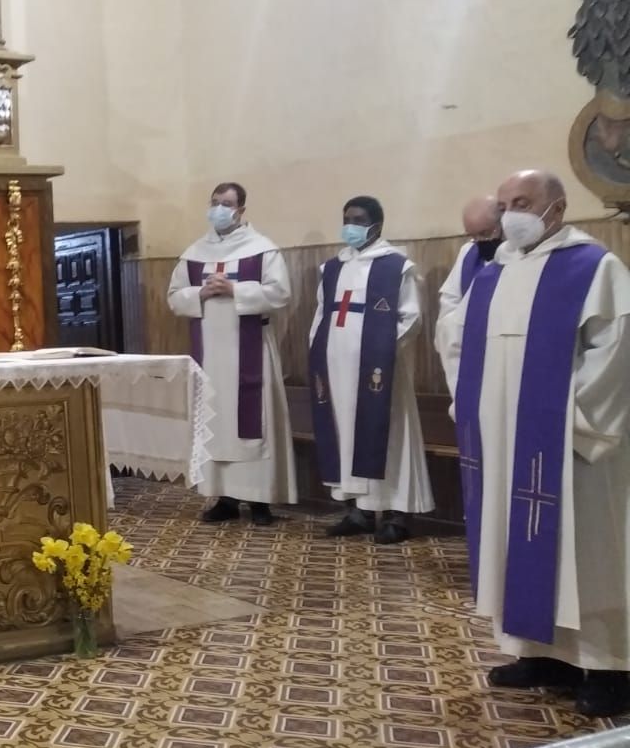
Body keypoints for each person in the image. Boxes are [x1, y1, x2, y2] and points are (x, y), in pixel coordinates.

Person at [440, 170, 630, 717]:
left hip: (568, 443)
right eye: (503, 205)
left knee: (587, 550)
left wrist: (574, 421)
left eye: (521, 203)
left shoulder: (593, 268)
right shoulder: (493, 275)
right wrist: (473, 406)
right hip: (505, 441)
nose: (510, 215)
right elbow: (456, 343)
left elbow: (615, 351)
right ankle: (536, 651)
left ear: (557, 207)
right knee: (512, 535)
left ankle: (607, 666)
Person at [167, 182, 297, 525]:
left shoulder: (263, 250)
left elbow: (280, 294)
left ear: (241, 209)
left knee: (254, 422)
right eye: (214, 202)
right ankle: (224, 498)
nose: (219, 209)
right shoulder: (195, 252)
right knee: (216, 421)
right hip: (210, 355)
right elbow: (175, 296)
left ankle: (260, 503)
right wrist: (202, 292)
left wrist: (236, 289)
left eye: (226, 204)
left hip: (249, 351)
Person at [308, 195, 433, 544]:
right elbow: (323, 314)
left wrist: (382, 352)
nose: (350, 226)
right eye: (346, 218)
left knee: (388, 436)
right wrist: (318, 349)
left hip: (380, 372)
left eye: (358, 220)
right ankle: (360, 511)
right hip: (337, 368)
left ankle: (396, 514)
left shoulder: (396, 266)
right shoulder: (332, 268)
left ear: (377, 224)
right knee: (347, 433)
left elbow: (411, 317)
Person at [437, 194, 502, 320]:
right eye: (473, 235)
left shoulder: (517, 252)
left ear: (502, 223)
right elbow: (450, 301)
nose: (479, 240)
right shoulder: (468, 252)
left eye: (484, 233)